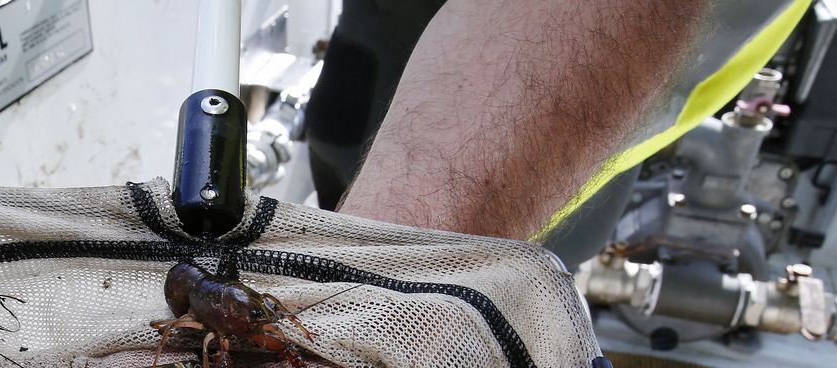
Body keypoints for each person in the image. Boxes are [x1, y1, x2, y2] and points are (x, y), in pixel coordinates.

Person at [310, 0, 809, 244]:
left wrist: (383, 278)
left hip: (586, 65)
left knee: (490, 293)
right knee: (340, 132)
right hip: (385, 32)